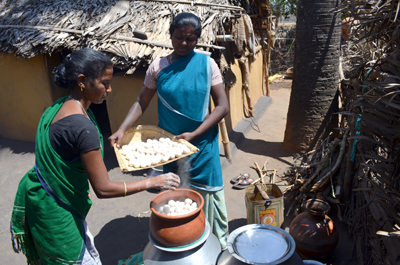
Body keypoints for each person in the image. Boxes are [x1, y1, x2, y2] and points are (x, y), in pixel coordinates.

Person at [10, 48, 180, 265]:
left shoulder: (55, 109)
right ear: (82, 81)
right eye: (104, 83)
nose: (109, 89)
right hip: (56, 211)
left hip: (42, 199)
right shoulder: (82, 127)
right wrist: (151, 181)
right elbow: (103, 188)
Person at [109, 13, 230, 249]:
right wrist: (122, 129)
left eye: (191, 38)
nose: (184, 43)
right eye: (179, 37)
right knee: (177, 196)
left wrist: (195, 134)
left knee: (209, 194)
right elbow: (141, 102)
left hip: (202, 144)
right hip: (170, 148)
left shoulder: (208, 64)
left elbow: (223, 106)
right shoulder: (158, 67)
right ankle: (182, 240)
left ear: (198, 39)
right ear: (170, 35)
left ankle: (215, 246)